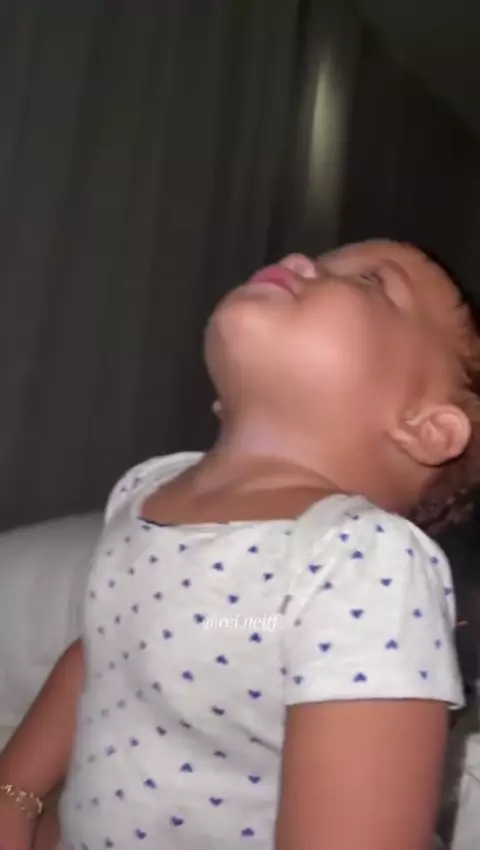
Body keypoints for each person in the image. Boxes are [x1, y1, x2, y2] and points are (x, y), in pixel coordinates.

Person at [1, 240, 480, 850]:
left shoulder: (363, 559)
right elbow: (108, 650)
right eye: (324, 259)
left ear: (423, 427)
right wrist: (15, 792)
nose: (303, 258)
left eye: (371, 281)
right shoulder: (146, 490)